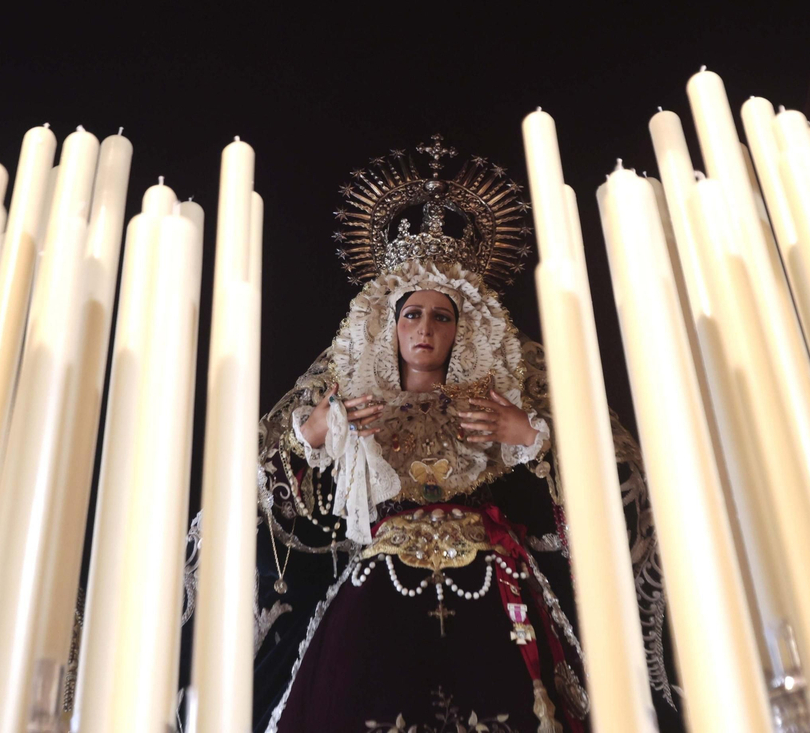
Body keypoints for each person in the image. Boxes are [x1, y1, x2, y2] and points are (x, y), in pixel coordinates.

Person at [246, 137, 672, 732]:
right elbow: (269, 497)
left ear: (463, 329)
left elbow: (609, 481)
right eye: (412, 315)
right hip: (378, 579)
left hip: (495, 579)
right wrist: (316, 433)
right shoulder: (353, 402)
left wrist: (532, 436)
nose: (424, 329)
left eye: (441, 316)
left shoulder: (503, 401)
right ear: (390, 327)